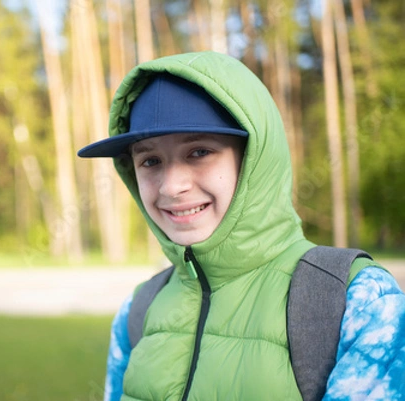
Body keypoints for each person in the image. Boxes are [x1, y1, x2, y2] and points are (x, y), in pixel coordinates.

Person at [77, 51, 405, 400]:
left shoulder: (357, 298)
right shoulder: (138, 310)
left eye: (199, 152)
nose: (171, 186)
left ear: (254, 159)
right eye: (150, 160)